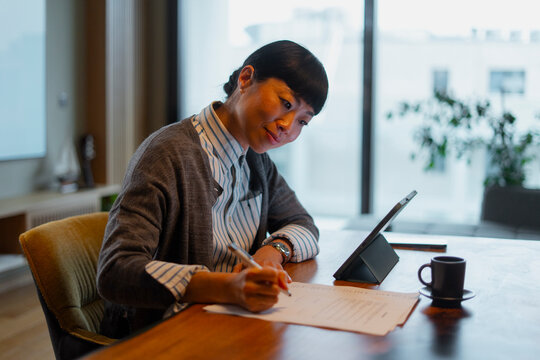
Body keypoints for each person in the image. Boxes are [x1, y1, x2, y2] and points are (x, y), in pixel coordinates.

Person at [96, 40, 329, 338]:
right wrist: (225, 288)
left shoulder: (257, 161)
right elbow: (116, 271)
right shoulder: (167, 154)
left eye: (302, 121)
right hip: (164, 334)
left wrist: (273, 251)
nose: (288, 126)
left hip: (232, 323)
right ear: (246, 79)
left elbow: (304, 224)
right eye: (285, 104)